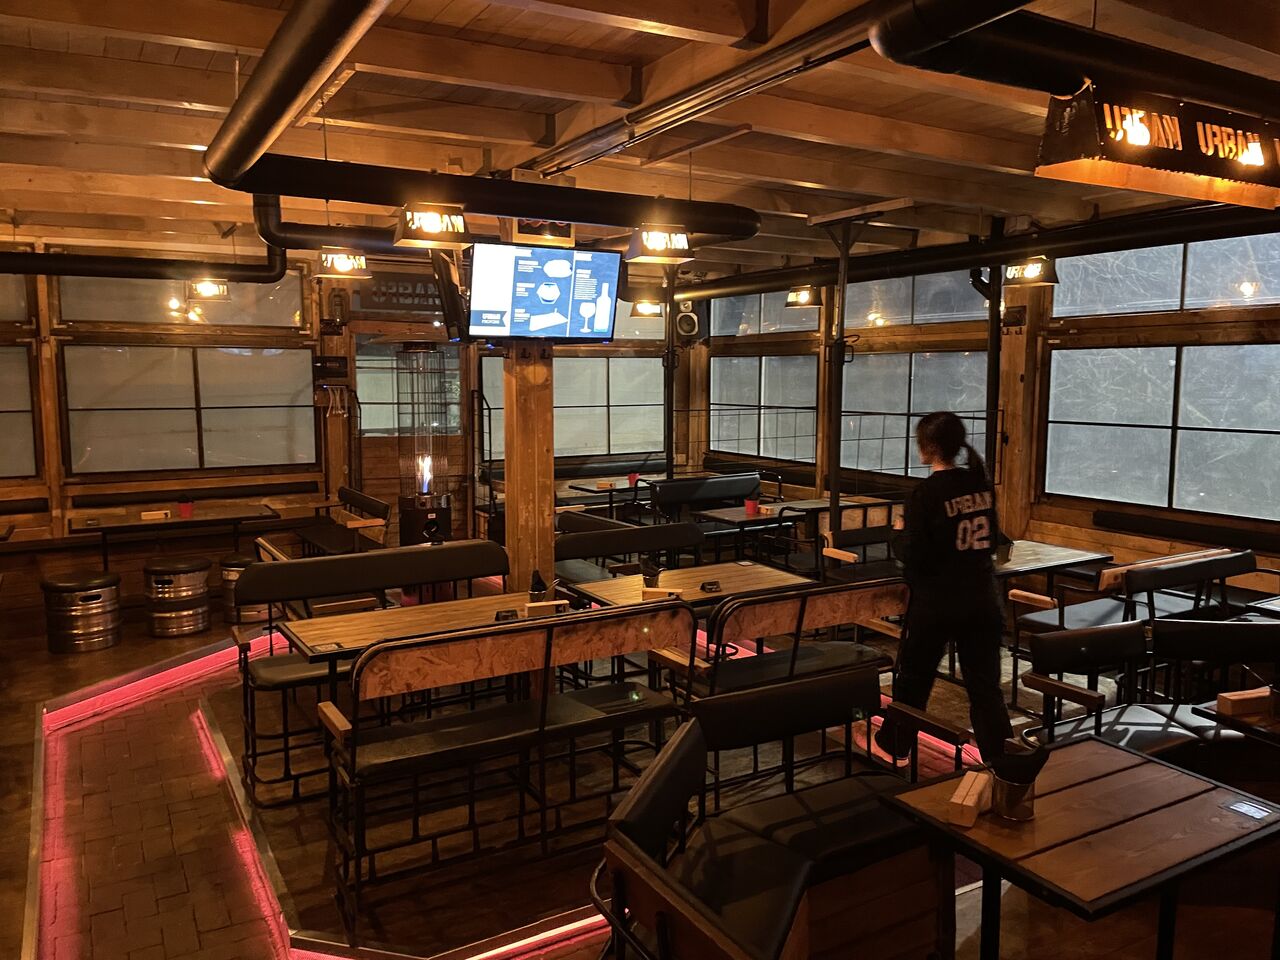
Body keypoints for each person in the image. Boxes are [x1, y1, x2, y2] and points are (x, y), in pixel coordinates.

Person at [875, 411, 1013, 762]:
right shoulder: (980, 484)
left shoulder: (926, 493)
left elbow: (915, 554)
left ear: (929, 447)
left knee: (914, 678)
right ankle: (1002, 759)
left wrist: (897, 533)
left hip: (937, 601)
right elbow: (994, 539)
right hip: (982, 597)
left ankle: (895, 745)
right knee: (985, 687)